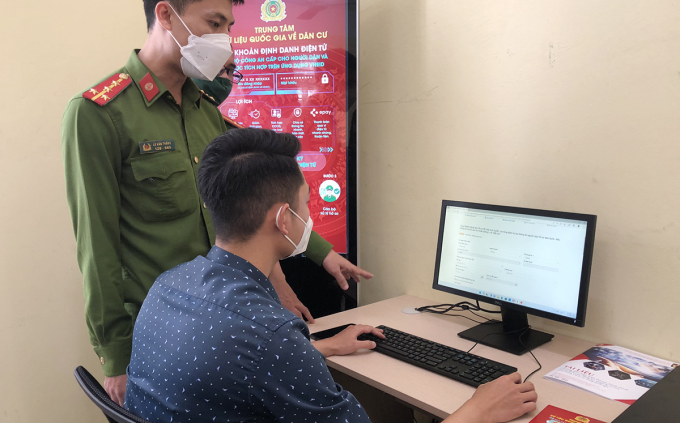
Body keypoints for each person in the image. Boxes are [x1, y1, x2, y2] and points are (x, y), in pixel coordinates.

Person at [61, 0, 372, 406]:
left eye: (228, 26)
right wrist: (116, 357)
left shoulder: (207, 109)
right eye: (214, 23)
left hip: (225, 327)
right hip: (164, 330)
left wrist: (319, 255)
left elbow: (255, 199)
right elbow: (97, 247)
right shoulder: (99, 113)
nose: (224, 39)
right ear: (166, 15)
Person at [125, 128, 538, 423]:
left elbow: (224, 372)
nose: (311, 216)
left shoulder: (169, 285)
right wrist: (479, 411)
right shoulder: (269, 333)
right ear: (284, 219)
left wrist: (317, 349)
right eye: (306, 205)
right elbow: (259, 352)